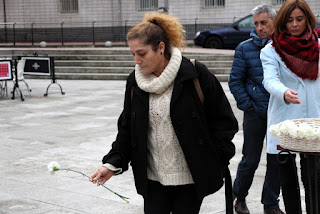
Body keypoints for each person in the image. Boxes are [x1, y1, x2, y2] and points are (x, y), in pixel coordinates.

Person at [90, 12, 239, 214]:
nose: (136, 61)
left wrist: (216, 157)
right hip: (152, 180)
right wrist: (112, 163)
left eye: (141, 54)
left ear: (161, 48)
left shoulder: (195, 74)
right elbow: (127, 129)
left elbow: (224, 122)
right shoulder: (135, 82)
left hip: (190, 180)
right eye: (132, 54)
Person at [261, 0, 320, 213]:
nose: (294, 24)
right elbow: (270, 80)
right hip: (285, 119)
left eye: (299, 19)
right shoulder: (271, 50)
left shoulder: (318, 46)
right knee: (287, 180)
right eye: (289, 20)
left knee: (313, 177)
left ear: (308, 20)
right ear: (282, 22)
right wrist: (284, 92)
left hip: (313, 119)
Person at [229, 5, 284, 214]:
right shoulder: (245, 48)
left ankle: (270, 204)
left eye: (264, 23)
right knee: (250, 159)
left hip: (280, 113)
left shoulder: (284, 46)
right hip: (255, 113)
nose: (259, 27)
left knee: (276, 160)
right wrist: (248, 105)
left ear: (274, 22)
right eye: (256, 23)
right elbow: (235, 81)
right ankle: (239, 198)